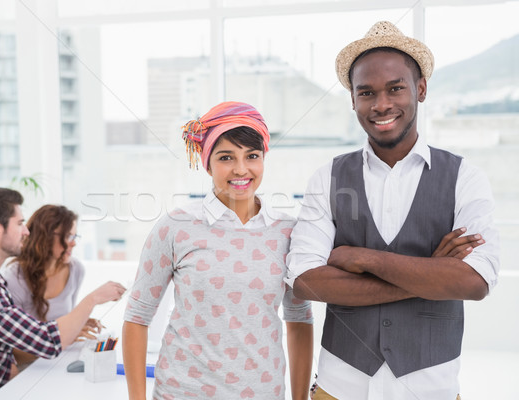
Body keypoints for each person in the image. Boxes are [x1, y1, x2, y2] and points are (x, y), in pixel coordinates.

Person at [286, 21, 500, 400]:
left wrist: (359, 257)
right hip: (340, 385)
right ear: (352, 99)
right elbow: (305, 280)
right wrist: (431, 274)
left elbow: (474, 281)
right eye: (366, 92)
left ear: (420, 89)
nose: (381, 104)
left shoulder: (465, 176)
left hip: (430, 387)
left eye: (395, 88)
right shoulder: (327, 177)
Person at [122, 101, 314, 400]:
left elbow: (299, 319)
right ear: (207, 163)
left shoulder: (288, 231)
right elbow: (137, 317)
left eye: (252, 156)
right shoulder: (175, 226)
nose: (241, 169)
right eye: (226, 157)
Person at [0, 188, 126, 400]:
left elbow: (0, 349)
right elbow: (47, 341)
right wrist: (93, 299)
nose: (27, 232)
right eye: (19, 224)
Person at [0, 204, 103, 368]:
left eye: (75, 237)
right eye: (68, 237)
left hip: (58, 363)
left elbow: (61, 321)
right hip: (26, 370)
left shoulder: (75, 270)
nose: (74, 244)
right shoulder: (13, 278)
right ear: (45, 237)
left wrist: (76, 325)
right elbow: (10, 352)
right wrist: (64, 336)